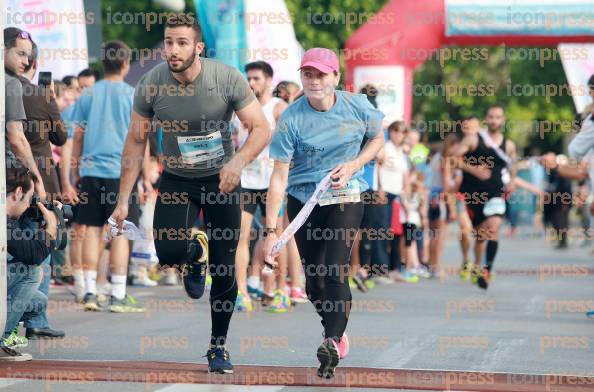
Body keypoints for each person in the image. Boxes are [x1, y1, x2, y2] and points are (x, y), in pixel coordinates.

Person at [110, 14, 271, 374]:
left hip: (223, 181)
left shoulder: (225, 77)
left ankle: (218, 346)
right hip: (178, 179)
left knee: (226, 271)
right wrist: (123, 199)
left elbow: (260, 127)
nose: (173, 49)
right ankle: (195, 251)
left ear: (198, 47)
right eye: (168, 42)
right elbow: (135, 141)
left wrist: (239, 161)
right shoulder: (152, 84)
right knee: (167, 251)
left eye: (182, 42)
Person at [263, 47, 384, 378]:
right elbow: (278, 176)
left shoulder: (356, 106)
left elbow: (378, 138)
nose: (314, 81)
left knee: (334, 270)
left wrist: (356, 163)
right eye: (308, 74)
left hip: (345, 196)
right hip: (303, 202)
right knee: (314, 284)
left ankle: (331, 341)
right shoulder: (291, 117)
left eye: (321, 74)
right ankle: (338, 329)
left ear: (336, 77)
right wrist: (271, 231)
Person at [71, 40, 144, 312]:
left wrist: (76, 170)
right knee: (121, 231)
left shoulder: (88, 94)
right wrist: (144, 176)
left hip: (91, 171)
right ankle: (118, 294)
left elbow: (77, 135)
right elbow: (139, 139)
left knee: (90, 230)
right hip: (121, 173)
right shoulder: (131, 95)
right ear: (125, 64)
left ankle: (90, 291)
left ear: (103, 63)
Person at [234, 61, 290, 313]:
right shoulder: (240, 109)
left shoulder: (279, 109)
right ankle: (242, 292)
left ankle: (277, 289)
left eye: (256, 78)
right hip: (246, 181)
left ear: (269, 80)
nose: (251, 83)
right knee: (241, 237)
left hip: (272, 182)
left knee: (275, 238)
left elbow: (291, 145)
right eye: (249, 78)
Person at [453, 104, 517, 289]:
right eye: (491, 117)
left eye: (498, 117)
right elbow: (453, 159)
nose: (494, 120)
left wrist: (512, 181)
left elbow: (513, 164)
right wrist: (474, 169)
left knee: (493, 228)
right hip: (472, 194)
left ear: (503, 120)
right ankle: (477, 266)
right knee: (480, 235)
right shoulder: (473, 139)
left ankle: (487, 270)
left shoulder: (508, 144)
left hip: (496, 193)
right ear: (486, 120)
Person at [1, 159, 59, 361]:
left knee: (36, 301)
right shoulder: (2, 221)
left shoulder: (7, 220)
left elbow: (27, 249)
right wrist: (51, 226)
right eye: (29, 198)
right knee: (31, 272)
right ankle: (2, 340)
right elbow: (33, 256)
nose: (29, 205)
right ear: (17, 193)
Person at [4, 27, 46, 199]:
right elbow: (17, 139)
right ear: (3, 49)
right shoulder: (11, 84)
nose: (26, 61)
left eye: (28, 56)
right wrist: (36, 179)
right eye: (20, 53)